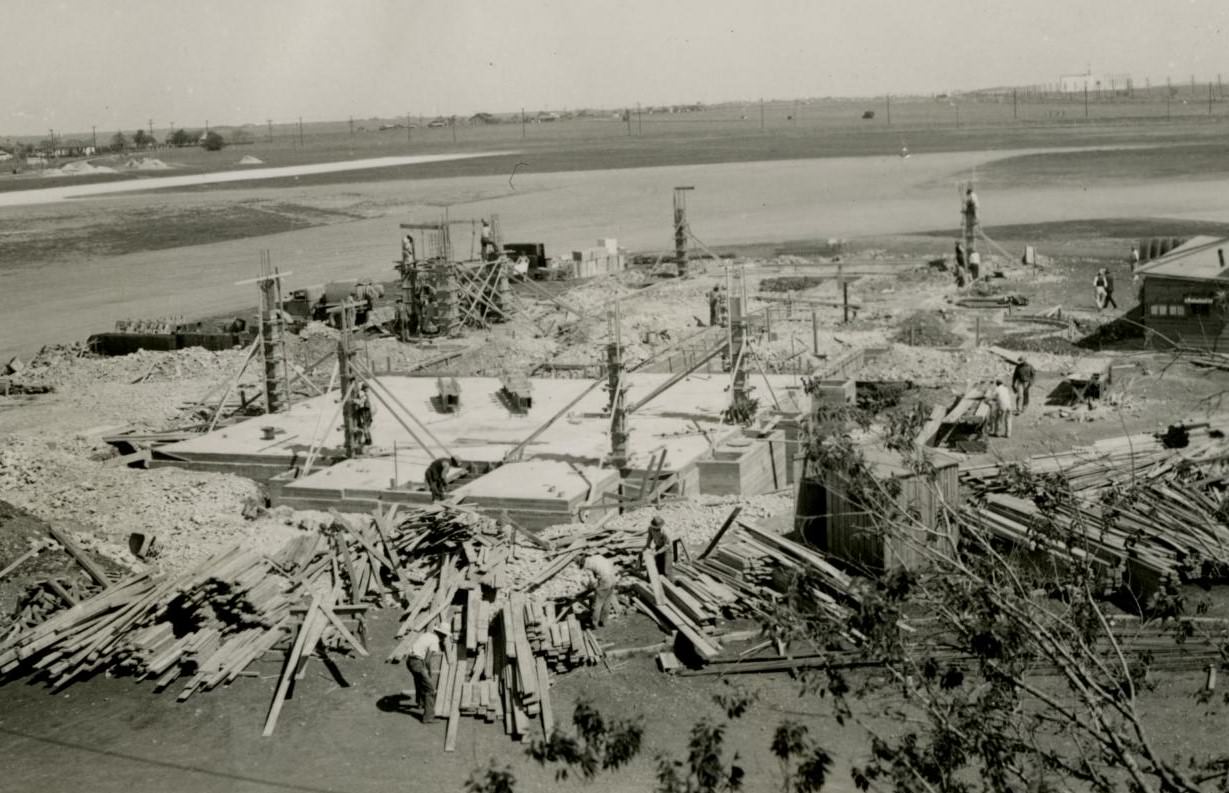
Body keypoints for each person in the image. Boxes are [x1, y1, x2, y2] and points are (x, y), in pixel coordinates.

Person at [406, 623, 449, 723]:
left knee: (419, 681)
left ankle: (420, 703)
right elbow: (427, 661)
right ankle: (428, 718)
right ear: (442, 635)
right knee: (430, 689)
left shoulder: (426, 635)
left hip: (409, 661)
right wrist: (429, 672)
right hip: (417, 663)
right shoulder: (435, 641)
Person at [579, 553, 618, 628]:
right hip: (613, 578)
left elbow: (592, 581)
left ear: (583, 563)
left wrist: (592, 586)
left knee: (598, 603)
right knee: (607, 601)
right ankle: (603, 622)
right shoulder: (597, 557)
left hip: (605, 579)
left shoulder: (587, 565)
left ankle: (594, 623)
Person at [645, 515, 677, 581]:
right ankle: (659, 583)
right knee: (658, 566)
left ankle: (670, 583)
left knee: (667, 569)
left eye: (657, 529)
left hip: (667, 549)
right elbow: (650, 536)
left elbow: (668, 545)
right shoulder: (651, 528)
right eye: (654, 528)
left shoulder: (666, 531)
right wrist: (647, 545)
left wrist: (657, 552)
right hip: (658, 546)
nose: (655, 530)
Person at [353, 383, 375, 448]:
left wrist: (353, 401)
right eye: (367, 388)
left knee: (365, 426)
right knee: (366, 427)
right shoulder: (364, 394)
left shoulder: (363, 394)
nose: (367, 389)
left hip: (365, 411)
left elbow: (360, 402)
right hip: (365, 411)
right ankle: (368, 440)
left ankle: (368, 440)